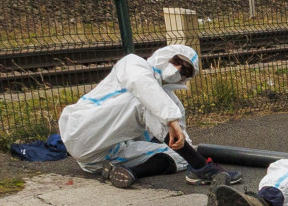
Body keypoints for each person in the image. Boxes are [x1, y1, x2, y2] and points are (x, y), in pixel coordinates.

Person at [60, 43, 206, 184]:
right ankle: (204, 169)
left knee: (180, 156)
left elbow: (181, 137)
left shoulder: (171, 103)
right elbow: (143, 85)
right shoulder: (134, 63)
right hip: (82, 129)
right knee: (142, 101)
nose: (177, 69)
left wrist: (184, 144)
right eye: (177, 61)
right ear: (165, 55)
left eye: (184, 71)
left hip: (100, 157)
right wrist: (171, 120)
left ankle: (130, 172)